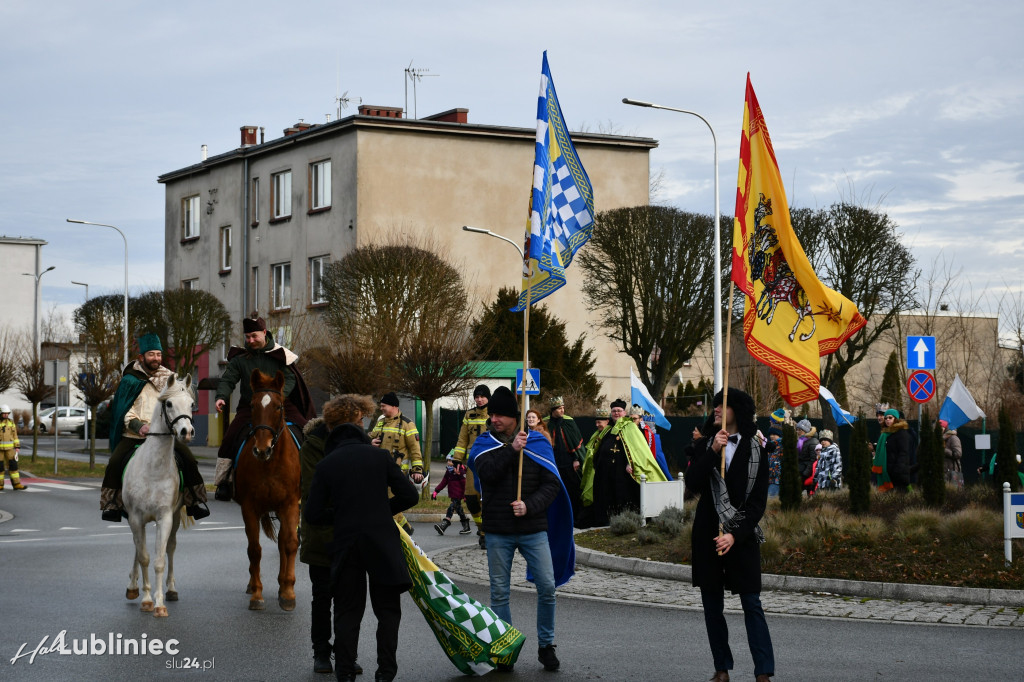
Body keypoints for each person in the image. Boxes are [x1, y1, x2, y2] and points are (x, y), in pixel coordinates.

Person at [304, 394, 419, 682]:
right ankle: (385, 672)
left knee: (347, 611)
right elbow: (410, 494)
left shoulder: (327, 464)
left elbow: (313, 513)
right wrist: (382, 511)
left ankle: (344, 672)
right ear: (359, 429)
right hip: (382, 542)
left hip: (347, 545)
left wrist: (342, 515)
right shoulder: (379, 456)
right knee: (388, 611)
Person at [468, 385, 574, 673]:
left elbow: (552, 484)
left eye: (500, 414)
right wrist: (511, 451)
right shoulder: (482, 444)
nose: (494, 419)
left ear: (514, 417)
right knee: (500, 592)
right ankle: (505, 648)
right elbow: (485, 476)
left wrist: (529, 505)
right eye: (492, 414)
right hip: (498, 530)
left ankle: (546, 645)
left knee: (547, 586)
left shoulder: (538, 443)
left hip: (533, 527)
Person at [684, 388, 774, 682]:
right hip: (708, 534)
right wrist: (711, 451)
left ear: (738, 410)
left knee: (752, 604)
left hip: (741, 537)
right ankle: (721, 668)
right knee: (712, 606)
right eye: (715, 406)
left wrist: (734, 535)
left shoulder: (757, 449)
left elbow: (757, 503)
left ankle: (763, 672)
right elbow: (692, 486)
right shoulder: (705, 445)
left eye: (723, 406)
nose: (717, 410)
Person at [100, 334, 208, 522]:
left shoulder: (170, 379)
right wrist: (139, 426)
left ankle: (195, 502)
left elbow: (179, 404)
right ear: (141, 357)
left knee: (189, 460)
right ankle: (112, 505)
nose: (156, 358)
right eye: (151, 354)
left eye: (158, 354)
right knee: (115, 463)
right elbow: (124, 412)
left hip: (164, 436)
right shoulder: (129, 381)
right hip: (134, 436)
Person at [213, 312, 315, 501]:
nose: (250, 340)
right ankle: (223, 482)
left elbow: (290, 377)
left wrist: (277, 398)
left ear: (264, 333)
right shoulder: (240, 358)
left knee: (309, 431)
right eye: (248, 337)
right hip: (249, 406)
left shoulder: (280, 354)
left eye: (254, 336)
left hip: (282, 403)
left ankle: (314, 477)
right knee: (229, 437)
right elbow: (228, 379)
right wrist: (221, 397)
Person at [299, 408, 366, 676]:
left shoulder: (361, 443)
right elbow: (314, 494)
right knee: (322, 597)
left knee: (348, 600)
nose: (364, 426)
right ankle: (321, 651)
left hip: (351, 535)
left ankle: (346, 652)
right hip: (322, 534)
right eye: (359, 421)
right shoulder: (313, 446)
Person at [579, 398, 667, 527]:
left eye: (619, 411)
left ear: (624, 413)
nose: (616, 413)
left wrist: (630, 463)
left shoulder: (630, 426)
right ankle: (606, 518)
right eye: (614, 411)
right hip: (606, 470)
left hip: (622, 471)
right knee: (606, 494)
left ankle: (625, 518)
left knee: (622, 494)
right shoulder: (607, 429)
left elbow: (636, 449)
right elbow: (598, 446)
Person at [369, 392, 423, 535]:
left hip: (397, 474)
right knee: (386, 505)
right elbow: (371, 438)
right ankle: (405, 529)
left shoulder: (407, 424)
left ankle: (399, 533)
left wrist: (417, 470)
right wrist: (370, 442)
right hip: (380, 472)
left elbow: (415, 450)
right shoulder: (380, 423)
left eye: (384, 406)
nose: (381, 409)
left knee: (389, 505)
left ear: (394, 406)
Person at [452, 384, 490, 548]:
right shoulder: (469, 415)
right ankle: (482, 528)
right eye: (477, 396)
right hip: (473, 465)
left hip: (491, 463)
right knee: (471, 499)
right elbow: (462, 440)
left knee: (487, 499)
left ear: (488, 397)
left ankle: (487, 534)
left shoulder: (494, 414)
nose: (479, 399)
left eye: (482, 396)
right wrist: (457, 459)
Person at [544, 396, 584, 518]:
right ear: (553, 410)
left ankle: (574, 515)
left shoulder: (569, 421)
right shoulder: (545, 423)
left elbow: (575, 440)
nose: (562, 410)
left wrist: (576, 459)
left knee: (573, 489)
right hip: (553, 462)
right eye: (559, 408)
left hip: (569, 462)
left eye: (563, 408)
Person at [873, 408, 912, 492]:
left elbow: (903, 453)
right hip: (887, 473)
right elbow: (887, 450)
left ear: (896, 419)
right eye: (886, 418)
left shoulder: (901, 433)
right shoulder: (885, 434)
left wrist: (897, 470)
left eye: (890, 418)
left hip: (898, 475)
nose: (887, 420)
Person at [432, 453, 470, 535]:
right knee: (459, 510)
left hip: (459, 495)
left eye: (450, 461)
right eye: (448, 460)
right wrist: (436, 491)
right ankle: (466, 527)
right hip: (453, 495)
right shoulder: (449, 471)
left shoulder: (460, 470)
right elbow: (443, 482)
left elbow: (465, 484)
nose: (448, 462)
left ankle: (444, 525)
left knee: (451, 507)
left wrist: (465, 495)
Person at [0, 405, 26, 491]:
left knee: (13, 466)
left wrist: (17, 446)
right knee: (0, 467)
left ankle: (17, 484)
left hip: (10, 449)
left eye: (7, 414)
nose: (6, 415)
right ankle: (0, 485)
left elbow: (15, 436)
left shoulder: (11, 423)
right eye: (4, 414)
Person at [794, 419, 820, 494]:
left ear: (806, 431)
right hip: (799, 470)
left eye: (800, 430)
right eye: (797, 430)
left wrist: (805, 474)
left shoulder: (813, 442)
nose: (798, 432)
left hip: (806, 473)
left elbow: (813, 460)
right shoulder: (800, 441)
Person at [940, 420, 963, 488]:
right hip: (943, 472)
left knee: (954, 495)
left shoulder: (953, 438)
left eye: (942, 427)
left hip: (953, 472)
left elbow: (958, 454)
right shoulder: (939, 439)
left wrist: (944, 450)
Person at [765, 425, 782, 498]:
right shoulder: (769, 446)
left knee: (771, 499)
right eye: (770, 434)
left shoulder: (782, 446)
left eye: (774, 434)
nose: (772, 436)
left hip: (777, 479)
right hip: (769, 478)